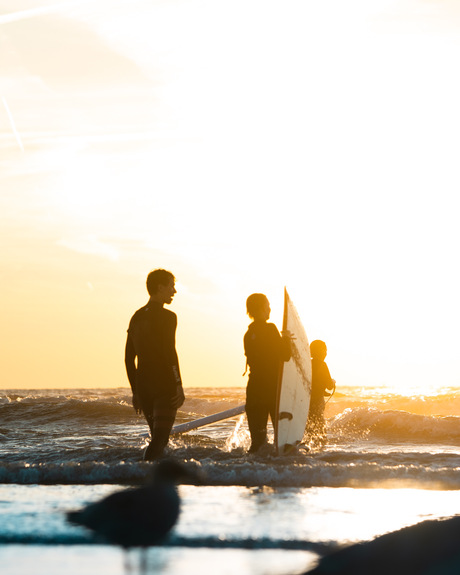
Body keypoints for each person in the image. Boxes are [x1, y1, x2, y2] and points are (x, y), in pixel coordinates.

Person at [125, 269, 185, 461]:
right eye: (171, 286)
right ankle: (146, 477)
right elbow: (170, 352)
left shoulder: (137, 316)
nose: (174, 291)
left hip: (144, 387)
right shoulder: (168, 317)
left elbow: (128, 359)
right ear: (160, 287)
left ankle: (148, 477)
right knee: (159, 441)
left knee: (157, 439)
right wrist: (178, 384)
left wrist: (135, 392)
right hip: (163, 385)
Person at [243, 293, 292, 453]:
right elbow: (285, 355)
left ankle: (251, 471)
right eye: (268, 305)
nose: (270, 308)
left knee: (257, 442)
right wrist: (286, 339)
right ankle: (277, 472)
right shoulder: (270, 329)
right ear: (262, 308)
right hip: (272, 389)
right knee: (283, 440)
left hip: (254, 389)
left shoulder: (248, 335)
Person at [306, 339, 335, 442]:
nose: (326, 353)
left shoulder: (307, 363)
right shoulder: (322, 364)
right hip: (318, 400)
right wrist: (333, 382)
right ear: (321, 351)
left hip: (306, 400)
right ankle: (320, 444)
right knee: (319, 424)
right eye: (325, 350)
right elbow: (329, 386)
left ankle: (308, 442)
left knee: (309, 424)